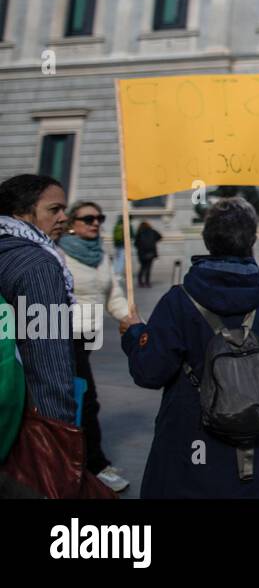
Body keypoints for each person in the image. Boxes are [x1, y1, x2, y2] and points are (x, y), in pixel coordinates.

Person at [119, 196, 259, 498]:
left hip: (188, 433)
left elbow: (149, 372)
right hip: (251, 435)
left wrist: (135, 333)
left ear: (206, 238)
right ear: (252, 239)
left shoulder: (178, 299)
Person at [58, 201, 131, 493]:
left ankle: (67, 458)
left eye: (100, 218)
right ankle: (95, 466)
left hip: (87, 338)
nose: (95, 223)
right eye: (88, 218)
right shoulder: (59, 253)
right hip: (63, 335)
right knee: (88, 400)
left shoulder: (100, 256)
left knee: (74, 398)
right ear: (72, 222)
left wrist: (131, 319)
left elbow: (113, 294)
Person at [0, 175, 76, 425]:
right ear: (20, 213)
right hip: (20, 417)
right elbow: (48, 356)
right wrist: (58, 429)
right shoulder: (38, 266)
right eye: (54, 209)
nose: (64, 218)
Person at [134, 220, 161, 287]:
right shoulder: (152, 231)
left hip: (142, 253)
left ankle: (140, 282)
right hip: (151, 252)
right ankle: (147, 282)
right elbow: (160, 236)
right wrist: (154, 241)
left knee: (142, 267)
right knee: (148, 268)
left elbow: (136, 244)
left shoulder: (139, 233)